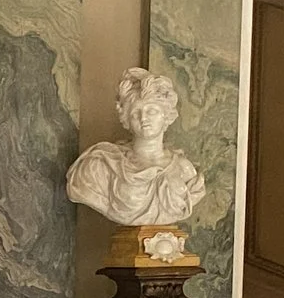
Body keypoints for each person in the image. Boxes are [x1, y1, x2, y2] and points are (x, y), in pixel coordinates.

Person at [65, 67, 208, 230]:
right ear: (126, 120)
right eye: (135, 113)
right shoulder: (100, 166)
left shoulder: (185, 170)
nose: (143, 118)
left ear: (166, 115)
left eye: (152, 111)